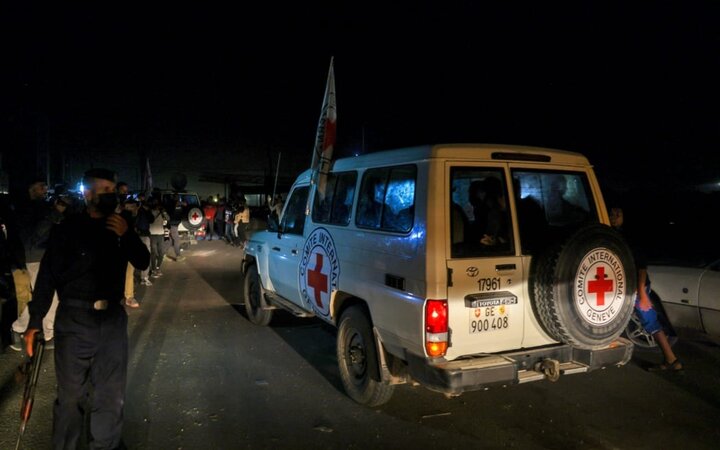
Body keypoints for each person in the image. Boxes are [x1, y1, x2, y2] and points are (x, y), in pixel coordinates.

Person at [24, 168, 150, 449]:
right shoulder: (67, 229)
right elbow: (47, 277)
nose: (109, 195)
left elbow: (143, 261)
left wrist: (127, 235)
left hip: (112, 320)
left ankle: (105, 444)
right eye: (103, 190)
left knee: (111, 394)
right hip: (74, 320)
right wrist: (35, 320)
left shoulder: (120, 226)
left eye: (111, 189)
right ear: (87, 193)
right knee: (70, 396)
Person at [609, 206, 682, 372]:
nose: (614, 217)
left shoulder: (631, 238)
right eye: (611, 214)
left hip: (636, 287)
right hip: (622, 287)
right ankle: (671, 360)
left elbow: (642, 268)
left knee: (650, 322)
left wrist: (642, 294)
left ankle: (672, 360)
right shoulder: (613, 235)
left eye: (618, 214)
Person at [10, 177, 65, 351]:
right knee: (49, 295)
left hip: (44, 256)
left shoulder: (41, 207)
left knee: (41, 296)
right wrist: (54, 213)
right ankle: (47, 333)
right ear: (31, 189)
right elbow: (35, 236)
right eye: (41, 187)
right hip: (35, 257)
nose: (45, 189)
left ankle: (20, 328)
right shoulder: (25, 209)